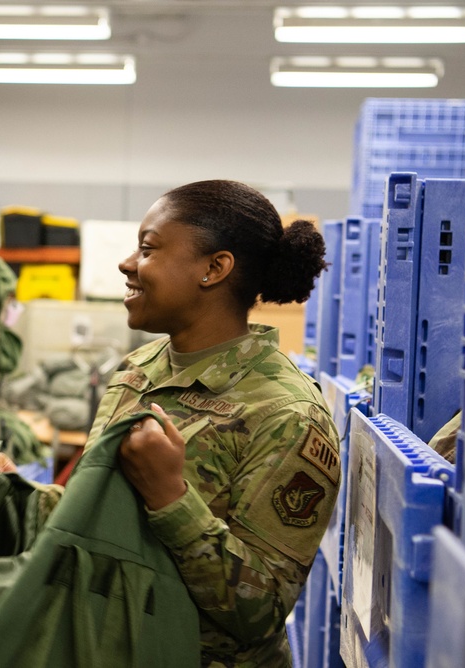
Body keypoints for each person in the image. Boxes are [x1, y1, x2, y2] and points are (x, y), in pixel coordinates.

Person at [83, 179, 341, 667]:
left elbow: (262, 611)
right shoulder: (140, 369)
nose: (126, 263)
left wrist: (170, 499)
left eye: (148, 249)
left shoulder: (287, 414)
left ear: (214, 269)